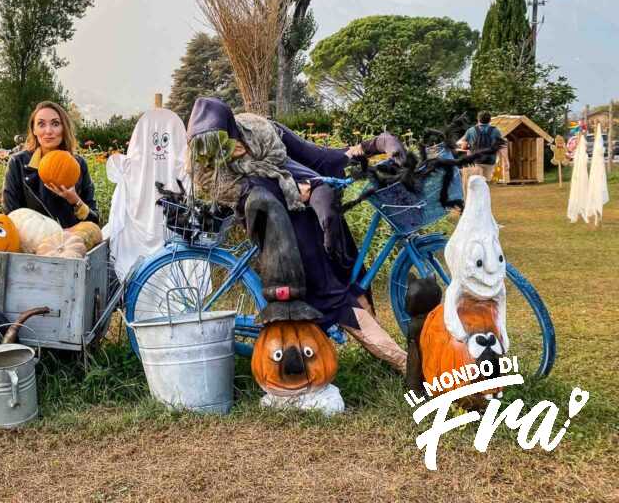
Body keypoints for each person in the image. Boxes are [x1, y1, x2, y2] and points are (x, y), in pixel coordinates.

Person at [187, 97, 406, 373]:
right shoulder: (207, 167)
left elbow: (319, 158)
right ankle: (403, 361)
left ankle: (378, 347)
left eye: (224, 141)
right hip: (272, 221)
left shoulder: (263, 132)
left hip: (301, 207)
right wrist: (287, 190)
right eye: (210, 146)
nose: (220, 151)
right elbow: (248, 195)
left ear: (233, 130)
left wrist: (375, 145)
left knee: (340, 253)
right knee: (330, 288)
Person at [2, 101, 100, 227]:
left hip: (71, 242)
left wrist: (75, 200)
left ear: (64, 128)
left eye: (55, 124)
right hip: (33, 243)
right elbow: (11, 215)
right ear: (34, 130)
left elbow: (94, 221)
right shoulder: (17, 163)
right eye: (41, 124)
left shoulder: (79, 164)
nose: (48, 131)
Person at [458, 111, 508, 195]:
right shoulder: (495, 131)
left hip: (475, 162)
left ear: (478, 119)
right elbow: (502, 147)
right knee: (484, 184)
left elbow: (464, 146)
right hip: (490, 162)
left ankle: (473, 203)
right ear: (490, 120)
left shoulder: (471, 130)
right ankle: (482, 203)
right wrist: (507, 161)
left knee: (474, 184)